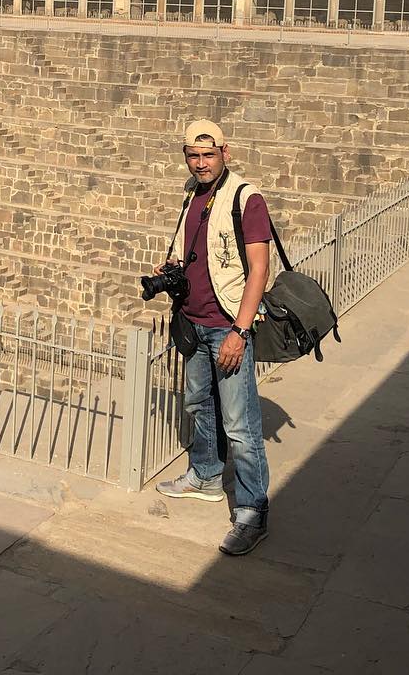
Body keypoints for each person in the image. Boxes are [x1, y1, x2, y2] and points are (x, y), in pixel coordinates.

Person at [154, 119, 273, 556]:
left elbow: (259, 269)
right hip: (194, 320)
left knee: (240, 425)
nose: (201, 163)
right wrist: (170, 270)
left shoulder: (247, 199)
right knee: (197, 403)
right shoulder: (193, 193)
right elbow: (200, 255)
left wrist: (241, 331)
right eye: (193, 155)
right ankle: (204, 474)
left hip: (227, 324)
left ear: (226, 151)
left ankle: (252, 510)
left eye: (208, 154)